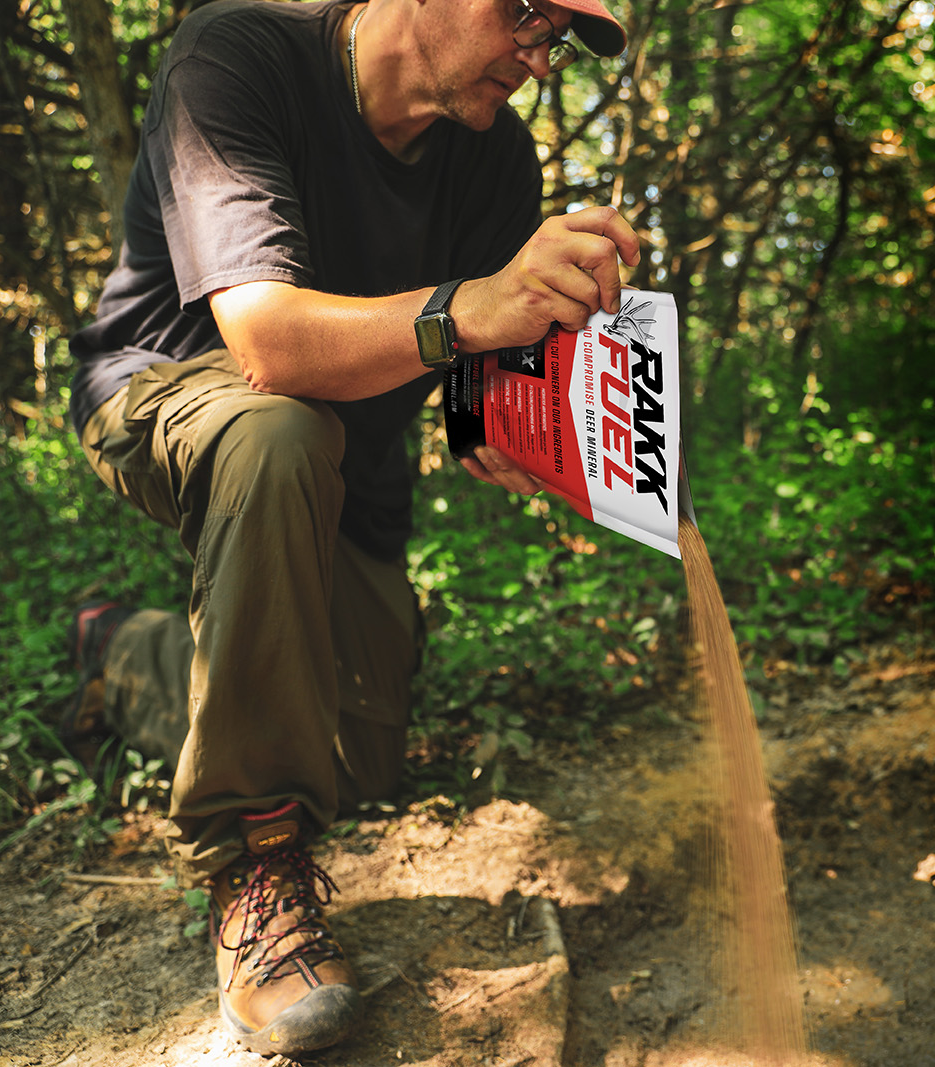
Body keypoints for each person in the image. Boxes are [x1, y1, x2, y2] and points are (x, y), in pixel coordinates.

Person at [61, 0, 639, 1054]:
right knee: (280, 435)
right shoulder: (237, 58)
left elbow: (471, 370)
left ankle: (122, 651)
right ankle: (256, 862)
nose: (536, 58)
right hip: (173, 390)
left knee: (359, 760)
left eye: (557, 38)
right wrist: (477, 305)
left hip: (349, 452)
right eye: (525, 14)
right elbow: (269, 345)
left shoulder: (493, 159)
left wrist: (522, 419)